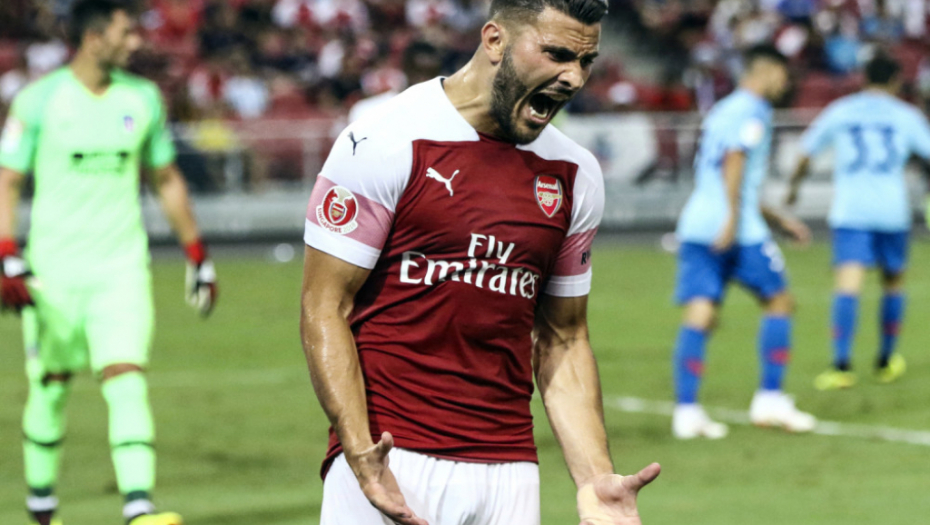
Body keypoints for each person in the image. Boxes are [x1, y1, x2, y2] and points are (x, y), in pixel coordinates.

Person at [300, 0, 661, 524]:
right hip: (392, 459)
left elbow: (563, 337)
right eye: (558, 54)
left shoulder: (574, 172)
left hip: (510, 473)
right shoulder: (385, 140)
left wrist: (595, 479)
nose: (574, 78)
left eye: (586, 61)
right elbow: (324, 306)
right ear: (494, 40)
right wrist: (358, 451)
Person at [0, 2, 218, 524]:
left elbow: (165, 177)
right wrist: (7, 253)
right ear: (94, 38)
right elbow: (7, 179)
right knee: (51, 387)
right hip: (52, 274)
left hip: (121, 270)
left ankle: (139, 509)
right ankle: (42, 506)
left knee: (126, 378)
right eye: (125, 32)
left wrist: (196, 253)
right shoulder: (38, 100)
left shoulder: (142, 99)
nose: (136, 42)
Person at [671, 44, 816, 440]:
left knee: (701, 313)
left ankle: (687, 412)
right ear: (765, 71)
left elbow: (729, 173)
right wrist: (733, 219)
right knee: (780, 301)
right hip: (737, 228)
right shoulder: (754, 111)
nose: (785, 84)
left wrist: (779, 220)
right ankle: (770, 398)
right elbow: (734, 160)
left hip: (698, 222)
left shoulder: (722, 109)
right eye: (782, 75)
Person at [786, 54, 930, 390]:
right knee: (893, 282)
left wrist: (794, 188)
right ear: (896, 80)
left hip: (851, 210)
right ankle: (885, 360)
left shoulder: (842, 110)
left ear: (864, 78)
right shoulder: (906, 115)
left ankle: (841, 365)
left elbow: (805, 152)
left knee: (848, 284)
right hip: (892, 210)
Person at [347, 40, 444, 124]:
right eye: (417, 72)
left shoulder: (440, 109)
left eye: (430, 74)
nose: (423, 79)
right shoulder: (367, 109)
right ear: (405, 70)